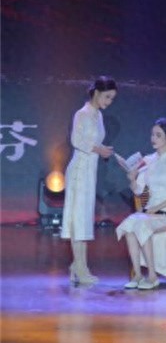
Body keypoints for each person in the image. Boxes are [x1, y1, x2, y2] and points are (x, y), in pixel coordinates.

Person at [116, 117, 166, 290]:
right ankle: (138, 275)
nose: (153, 138)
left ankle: (153, 276)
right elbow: (139, 191)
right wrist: (132, 179)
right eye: (152, 134)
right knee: (130, 226)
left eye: (158, 135)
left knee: (141, 224)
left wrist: (156, 208)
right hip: (150, 212)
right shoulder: (147, 160)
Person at [61, 76, 117, 284]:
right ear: (97, 93)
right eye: (107, 97)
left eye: (112, 98)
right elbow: (76, 140)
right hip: (79, 170)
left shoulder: (98, 115)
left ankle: (78, 265)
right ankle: (80, 267)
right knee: (78, 219)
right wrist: (98, 149)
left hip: (89, 171)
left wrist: (102, 150)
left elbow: (93, 142)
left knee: (84, 219)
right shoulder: (82, 114)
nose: (109, 102)